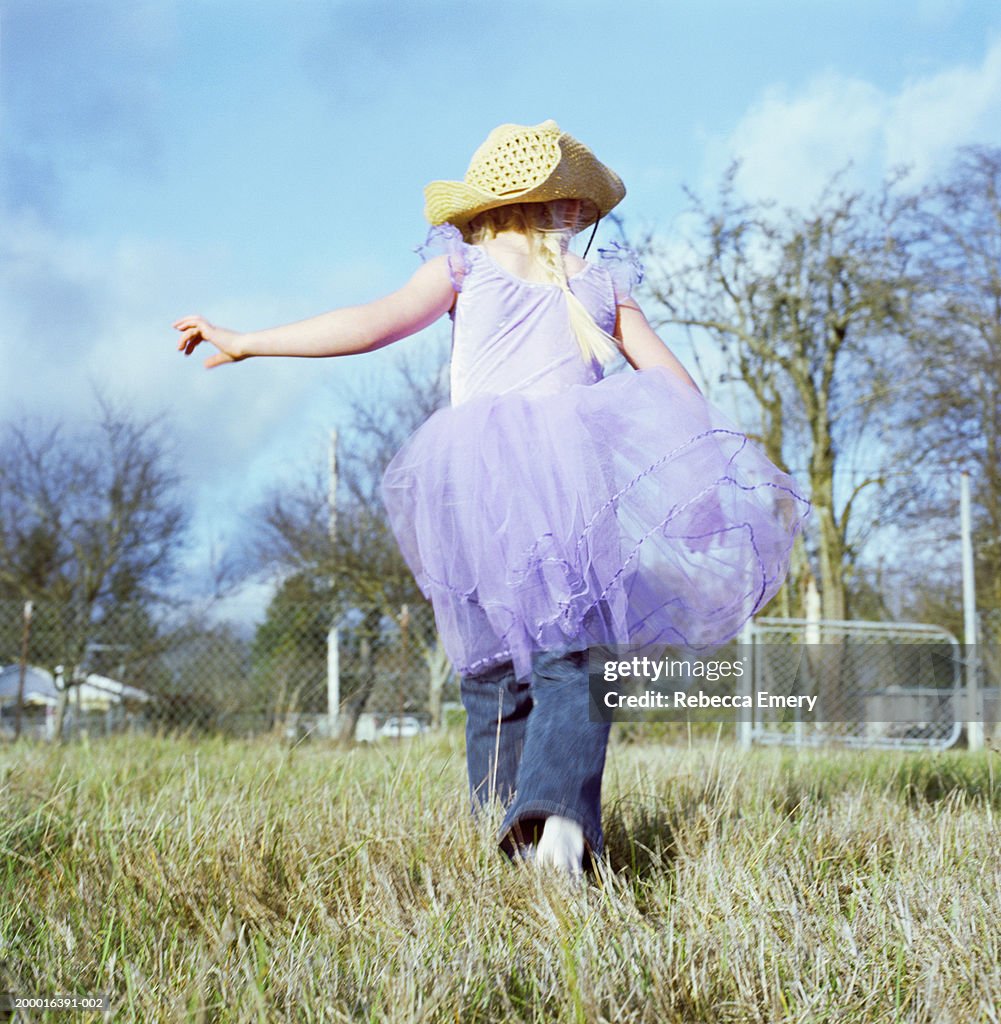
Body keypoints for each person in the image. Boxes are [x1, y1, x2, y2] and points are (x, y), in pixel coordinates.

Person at [175, 120, 809, 878]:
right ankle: (555, 821)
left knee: (491, 671)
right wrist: (692, 477)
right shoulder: (598, 284)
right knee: (572, 656)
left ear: (483, 207)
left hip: (470, 492)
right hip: (571, 490)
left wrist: (250, 340)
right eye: (571, 201)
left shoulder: (465, 268)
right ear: (560, 207)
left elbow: (368, 326)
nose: (576, 213)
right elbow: (679, 393)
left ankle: (516, 832)